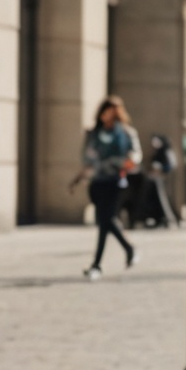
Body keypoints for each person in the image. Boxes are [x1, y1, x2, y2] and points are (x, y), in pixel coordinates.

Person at [69, 96, 142, 280]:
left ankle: (97, 265)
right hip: (97, 182)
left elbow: (135, 155)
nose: (109, 116)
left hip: (115, 181)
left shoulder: (126, 133)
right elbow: (87, 160)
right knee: (105, 222)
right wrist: (77, 180)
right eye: (107, 111)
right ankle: (128, 249)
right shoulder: (93, 133)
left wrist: (128, 161)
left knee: (105, 219)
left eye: (114, 112)